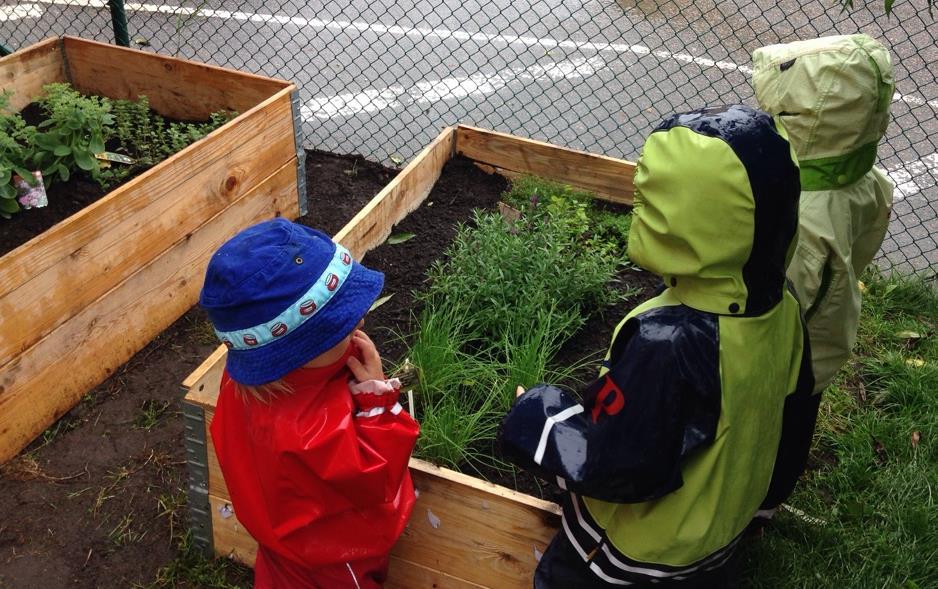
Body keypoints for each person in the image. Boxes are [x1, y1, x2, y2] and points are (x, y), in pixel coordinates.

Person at [498, 105, 815, 587]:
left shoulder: (670, 341)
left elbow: (618, 465)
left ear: (689, 224)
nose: (638, 207)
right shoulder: (782, 311)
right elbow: (794, 417)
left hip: (630, 555)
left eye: (651, 200)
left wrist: (539, 417)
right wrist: (765, 508)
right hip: (715, 531)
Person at [199, 218, 419, 589]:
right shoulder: (309, 434)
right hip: (334, 560)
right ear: (299, 349)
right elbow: (376, 477)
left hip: (280, 537)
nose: (361, 319)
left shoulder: (245, 385)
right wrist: (376, 397)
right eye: (342, 324)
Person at [752, 34, 895, 395]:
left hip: (787, 368)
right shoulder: (863, 178)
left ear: (813, 112)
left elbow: (786, 307)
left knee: (779, 428)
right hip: (819, 350)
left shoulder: (805, 217)